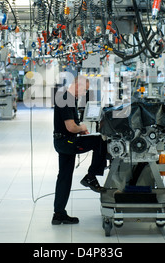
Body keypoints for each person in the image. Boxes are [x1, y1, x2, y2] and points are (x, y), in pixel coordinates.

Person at [52, 75, 107, 225]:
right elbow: (71, 127)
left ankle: (58, 214)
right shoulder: (67, 99)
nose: (84, 93)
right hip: (68, 142)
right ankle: (91, 176)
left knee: (64, 176)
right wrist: (81, 128)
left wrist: (78, 130)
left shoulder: (67, 97)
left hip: (62, 140)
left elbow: (69, 126)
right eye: (84, 90)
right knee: (100, 141)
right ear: (78, 85)